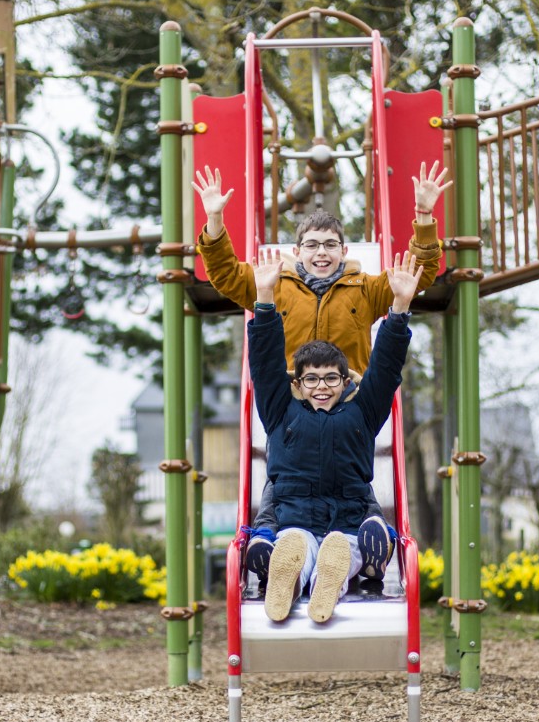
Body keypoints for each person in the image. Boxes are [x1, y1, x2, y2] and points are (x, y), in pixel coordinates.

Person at [193, 162, 451, 590]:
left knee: (349, 478)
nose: (321, 253)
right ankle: (275, 550)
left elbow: (416, 277)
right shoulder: (275, 283)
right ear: (297, 251)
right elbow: (221, 273)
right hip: (293, 404)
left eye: (330, 245)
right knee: (287, 478)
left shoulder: (364, 289)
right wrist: (215, 220)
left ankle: (361, 548)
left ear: (343, 251)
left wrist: (424, 217)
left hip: (349, 405)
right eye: (312, 244)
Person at [247, 245, 423, 624]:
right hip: (295, 520)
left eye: (331, 378)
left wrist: (400, 308)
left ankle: (328, 578)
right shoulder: (280, 411)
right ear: (298, 381)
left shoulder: (362, 411)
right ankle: (288, 582)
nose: (321, 386)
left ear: (346, 381)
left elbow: (386, 367)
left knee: (341, 549)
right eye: (311, 378)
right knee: (297, 546)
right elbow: (263, 365)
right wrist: (264, 299)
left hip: (348, 520)